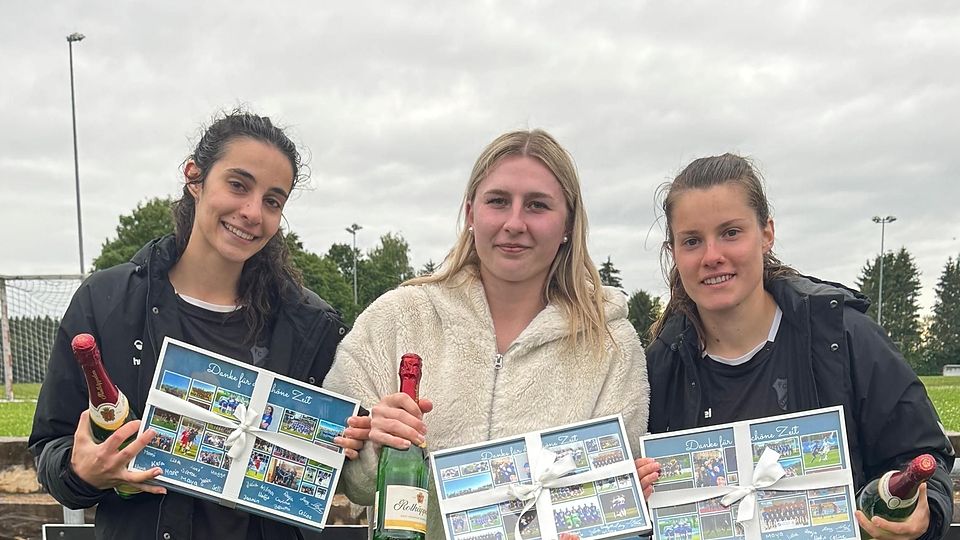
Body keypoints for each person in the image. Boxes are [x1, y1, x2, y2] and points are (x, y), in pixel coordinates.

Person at [29, 110, 370, 540]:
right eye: (238, 185)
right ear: (195, 177)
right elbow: (51, 446)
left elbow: (334, 466)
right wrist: (82, 471)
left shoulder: (309, 325)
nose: (252, 212)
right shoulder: (106, 302)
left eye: (272, 201)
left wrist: (352, 440)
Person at [323, 129, 649, 538]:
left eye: (537, 205)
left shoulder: (612, 344)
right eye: (498, 201)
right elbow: (340, 477)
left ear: (568, 222)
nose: (515, 223)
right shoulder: (397, 317)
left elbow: (618, 504)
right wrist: (372, 443)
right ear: (472, 212)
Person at [635, 154, 954, 540]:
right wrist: (637, 491)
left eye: (731, 232)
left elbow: (923, 457)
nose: (711, 256)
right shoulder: (659, 365)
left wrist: (925, 510)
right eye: (692, 241)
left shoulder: (843, 335)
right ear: (674, 252)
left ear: (766, 233)